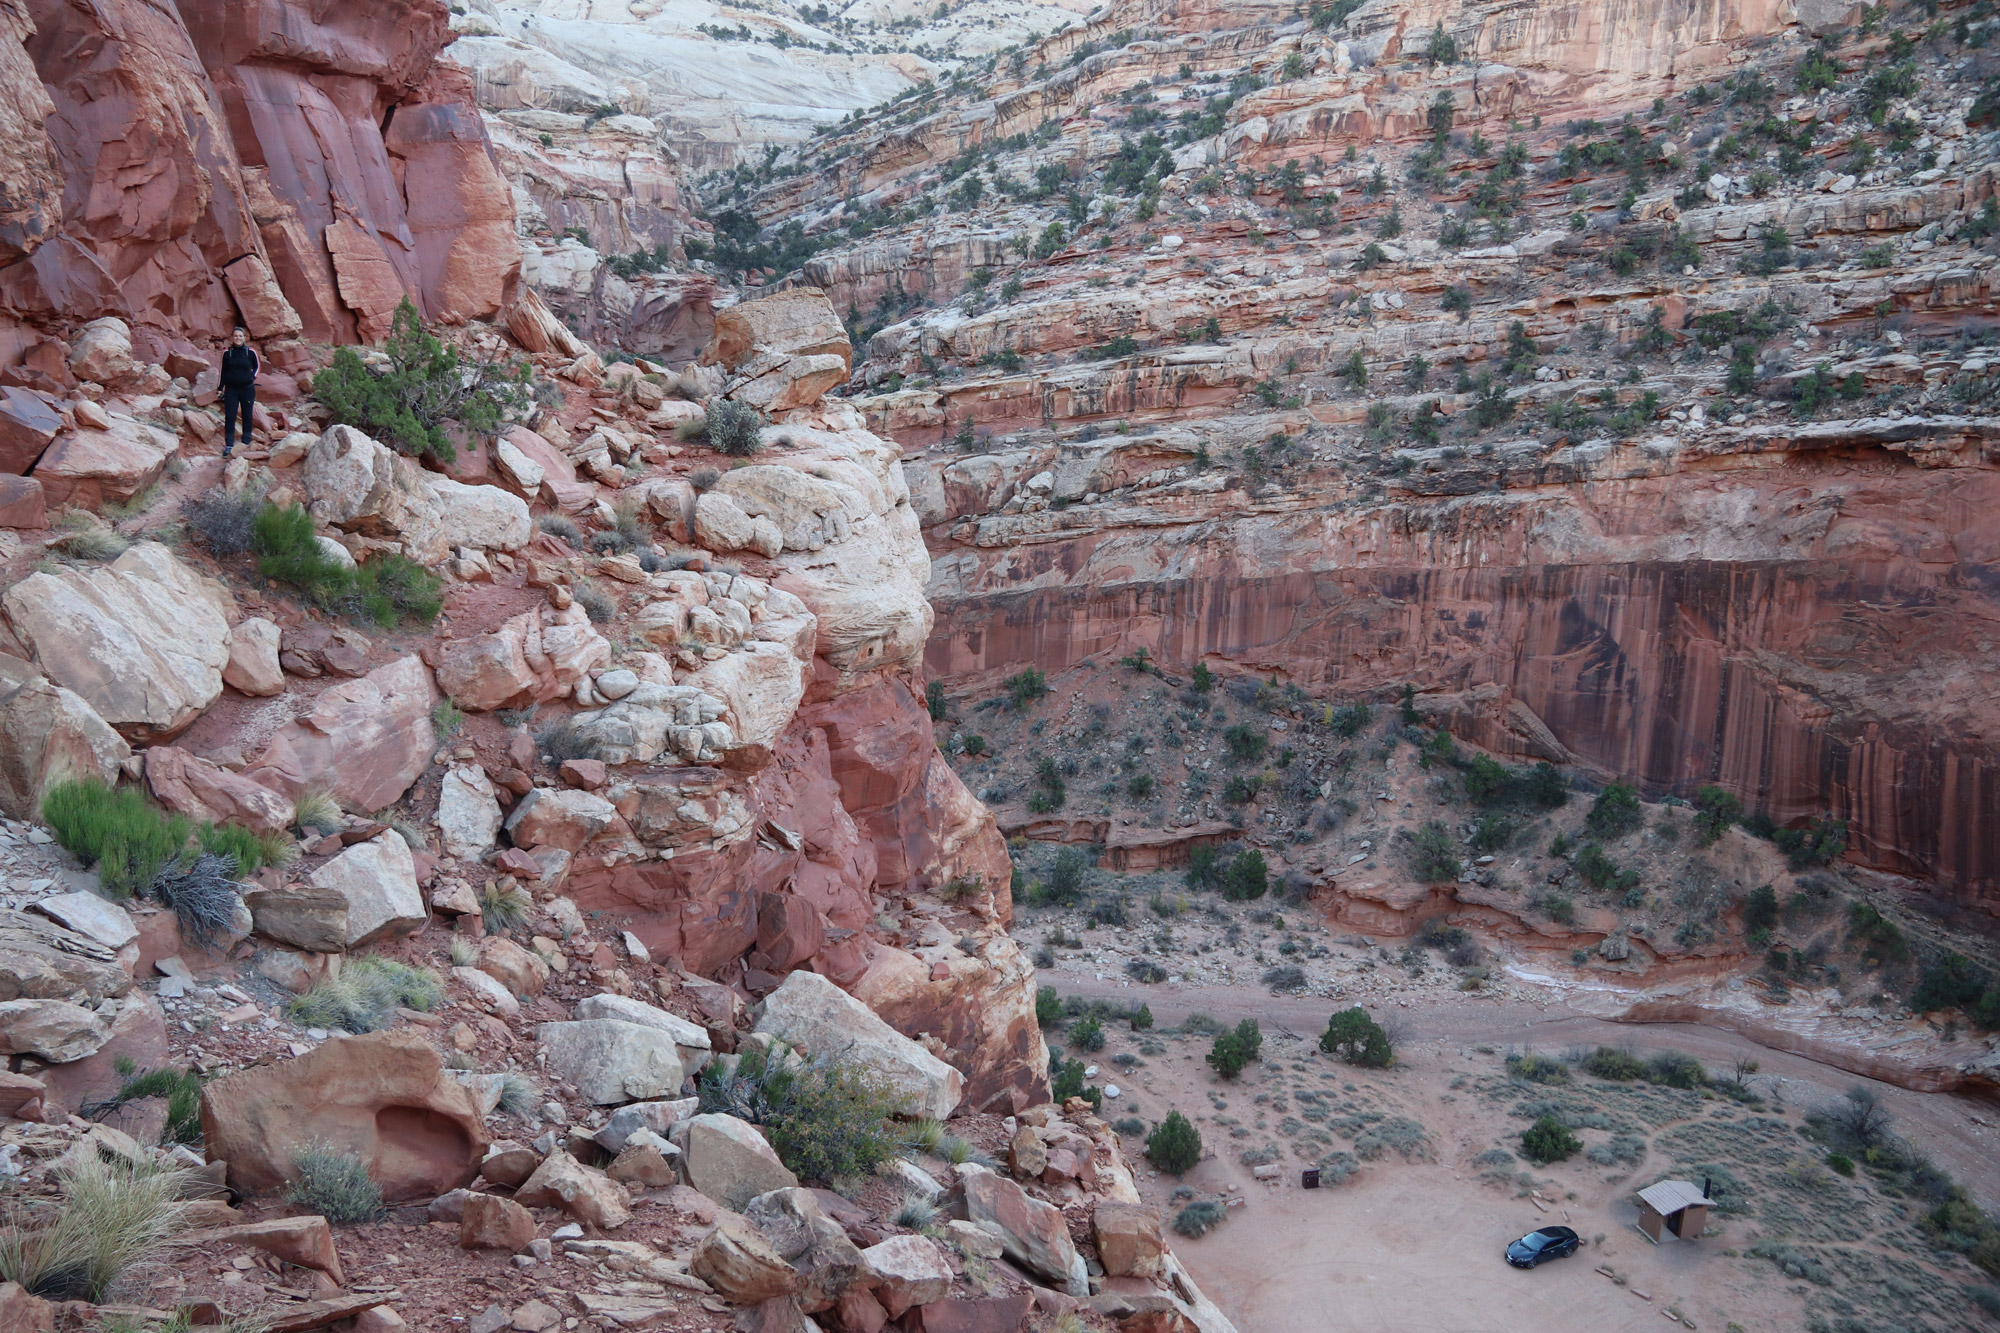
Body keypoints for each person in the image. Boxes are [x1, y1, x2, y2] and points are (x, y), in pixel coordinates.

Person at [219, 327, 259, 457]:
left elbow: (257, 367)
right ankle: (229, 444)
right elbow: (223, 372)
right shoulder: (227, 353)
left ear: (244, 338)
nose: (238, 338)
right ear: (232, 338)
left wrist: (252, 377)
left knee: (247, 415)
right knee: (230, 416)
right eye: (235, 336)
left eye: (240, 336)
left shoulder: (250, 352)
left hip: (247, 389)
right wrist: (220, 388)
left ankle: (245, 441)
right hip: (231, 390)